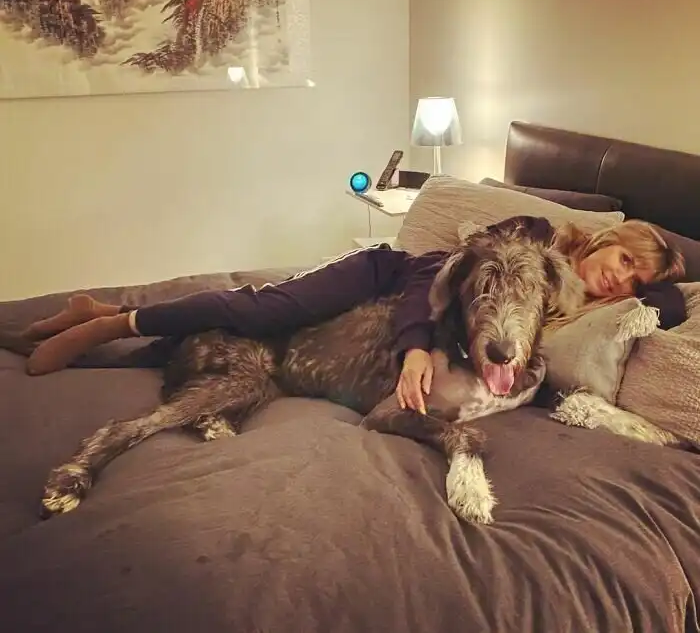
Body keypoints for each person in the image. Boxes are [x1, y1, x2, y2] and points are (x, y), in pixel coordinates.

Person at [15, 216, 686, 414]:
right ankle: (115, 322)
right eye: (625, 258)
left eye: (636, 278)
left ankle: (107, 321)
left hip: (394, 308)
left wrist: (663, 293)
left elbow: (665, 307)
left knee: (255, 332)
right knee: (265, 309)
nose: (620, 276)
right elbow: (434, 277)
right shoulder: (533, 234)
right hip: (388, 275)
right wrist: (415, 347)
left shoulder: (577, 305)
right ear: (608, 237)